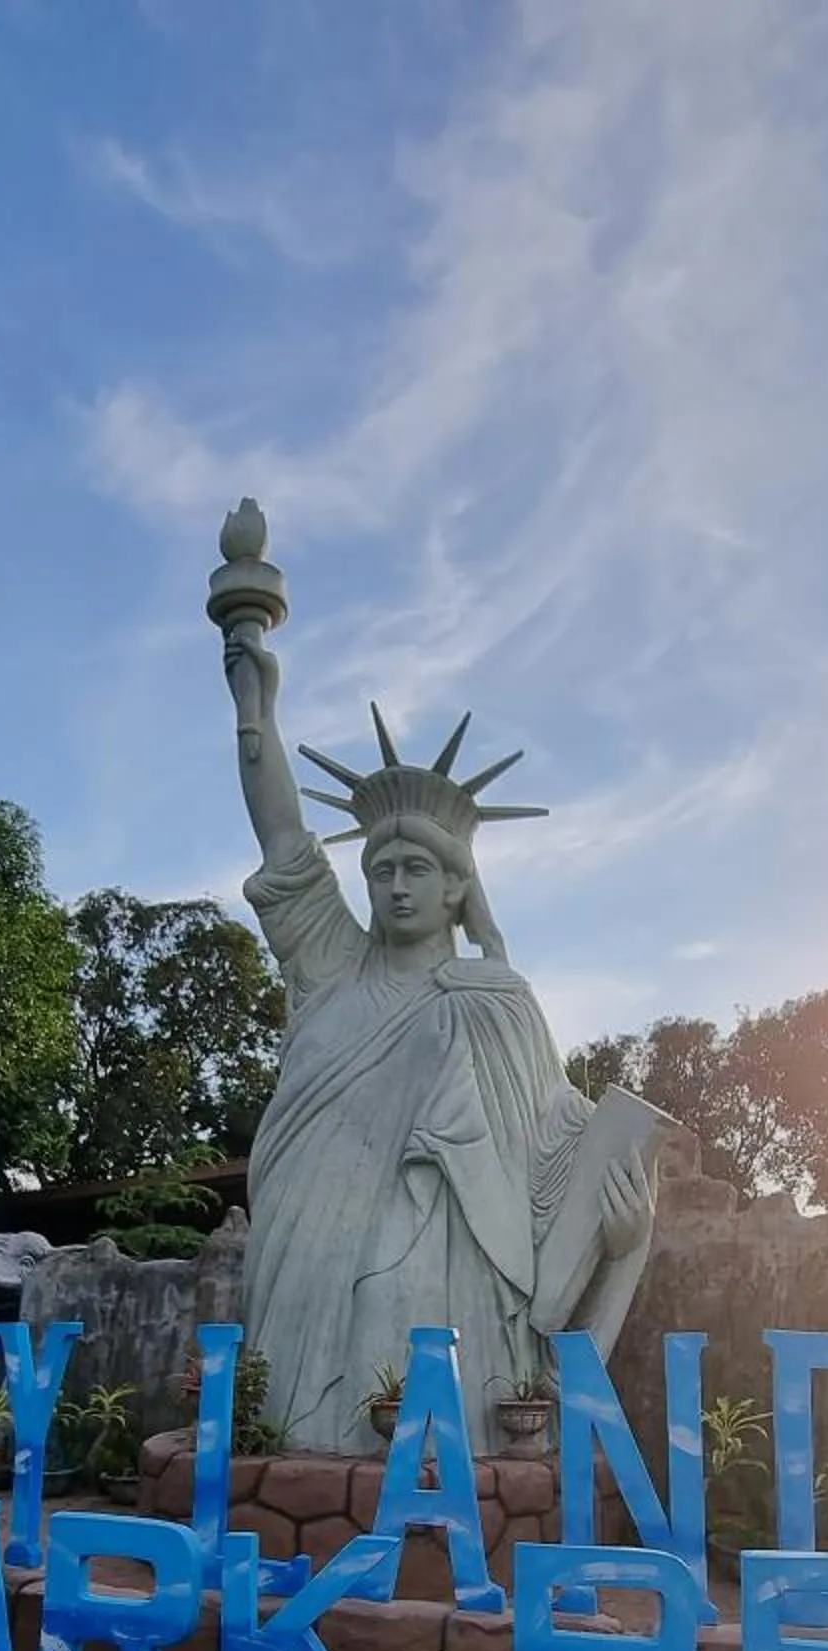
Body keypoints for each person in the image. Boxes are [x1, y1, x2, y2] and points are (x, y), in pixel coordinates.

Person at [222, 620, 658, 1453]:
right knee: (297, 1442)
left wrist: (623, 1242)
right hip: (303, 1273)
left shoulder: (498, 1003)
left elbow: (555, 1165)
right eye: (381, 870)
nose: (395, 887)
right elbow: (280, 833)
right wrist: (254, 707)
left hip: (448, 1286)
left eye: (417, 869)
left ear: (460, 886)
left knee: (428, 1439)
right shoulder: (331, 968)